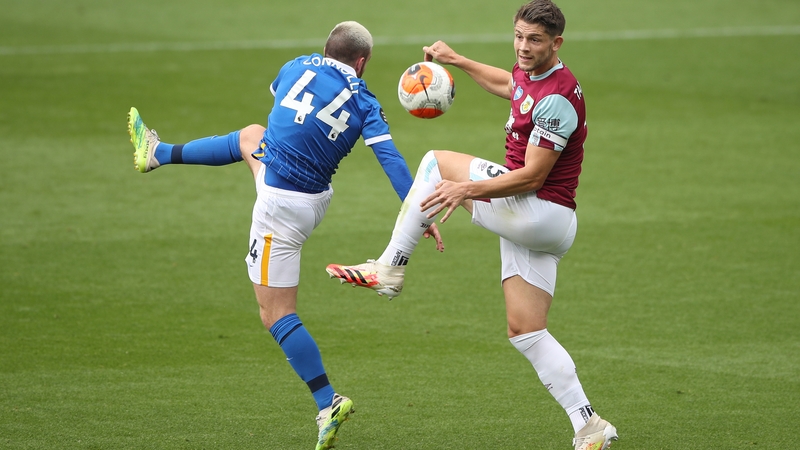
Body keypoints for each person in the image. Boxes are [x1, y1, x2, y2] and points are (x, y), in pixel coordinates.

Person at [126, 21, 442, 450]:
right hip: (310, 195)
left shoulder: (294, 66)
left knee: (274, 314)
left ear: (326, 48)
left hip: (280, 208)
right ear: (362, 61)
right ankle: (157, 154)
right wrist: (419, 212)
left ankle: (328, 402)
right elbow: (390, 158)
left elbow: (289, 111)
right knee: (250, 137)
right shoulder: (367, 101)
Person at [324, 2, 618, 449]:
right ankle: (589, 425)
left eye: (534, 40)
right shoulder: (533, 73)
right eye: (519, 36)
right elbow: (509, 83)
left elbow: (535, 175)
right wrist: (458, 61)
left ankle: (390, 266)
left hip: (536, 209)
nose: (523, 46)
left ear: (556, 44)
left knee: (435, 163)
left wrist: (466, 191)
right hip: (539, 220)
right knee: (527, 331)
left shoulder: (558, 97)